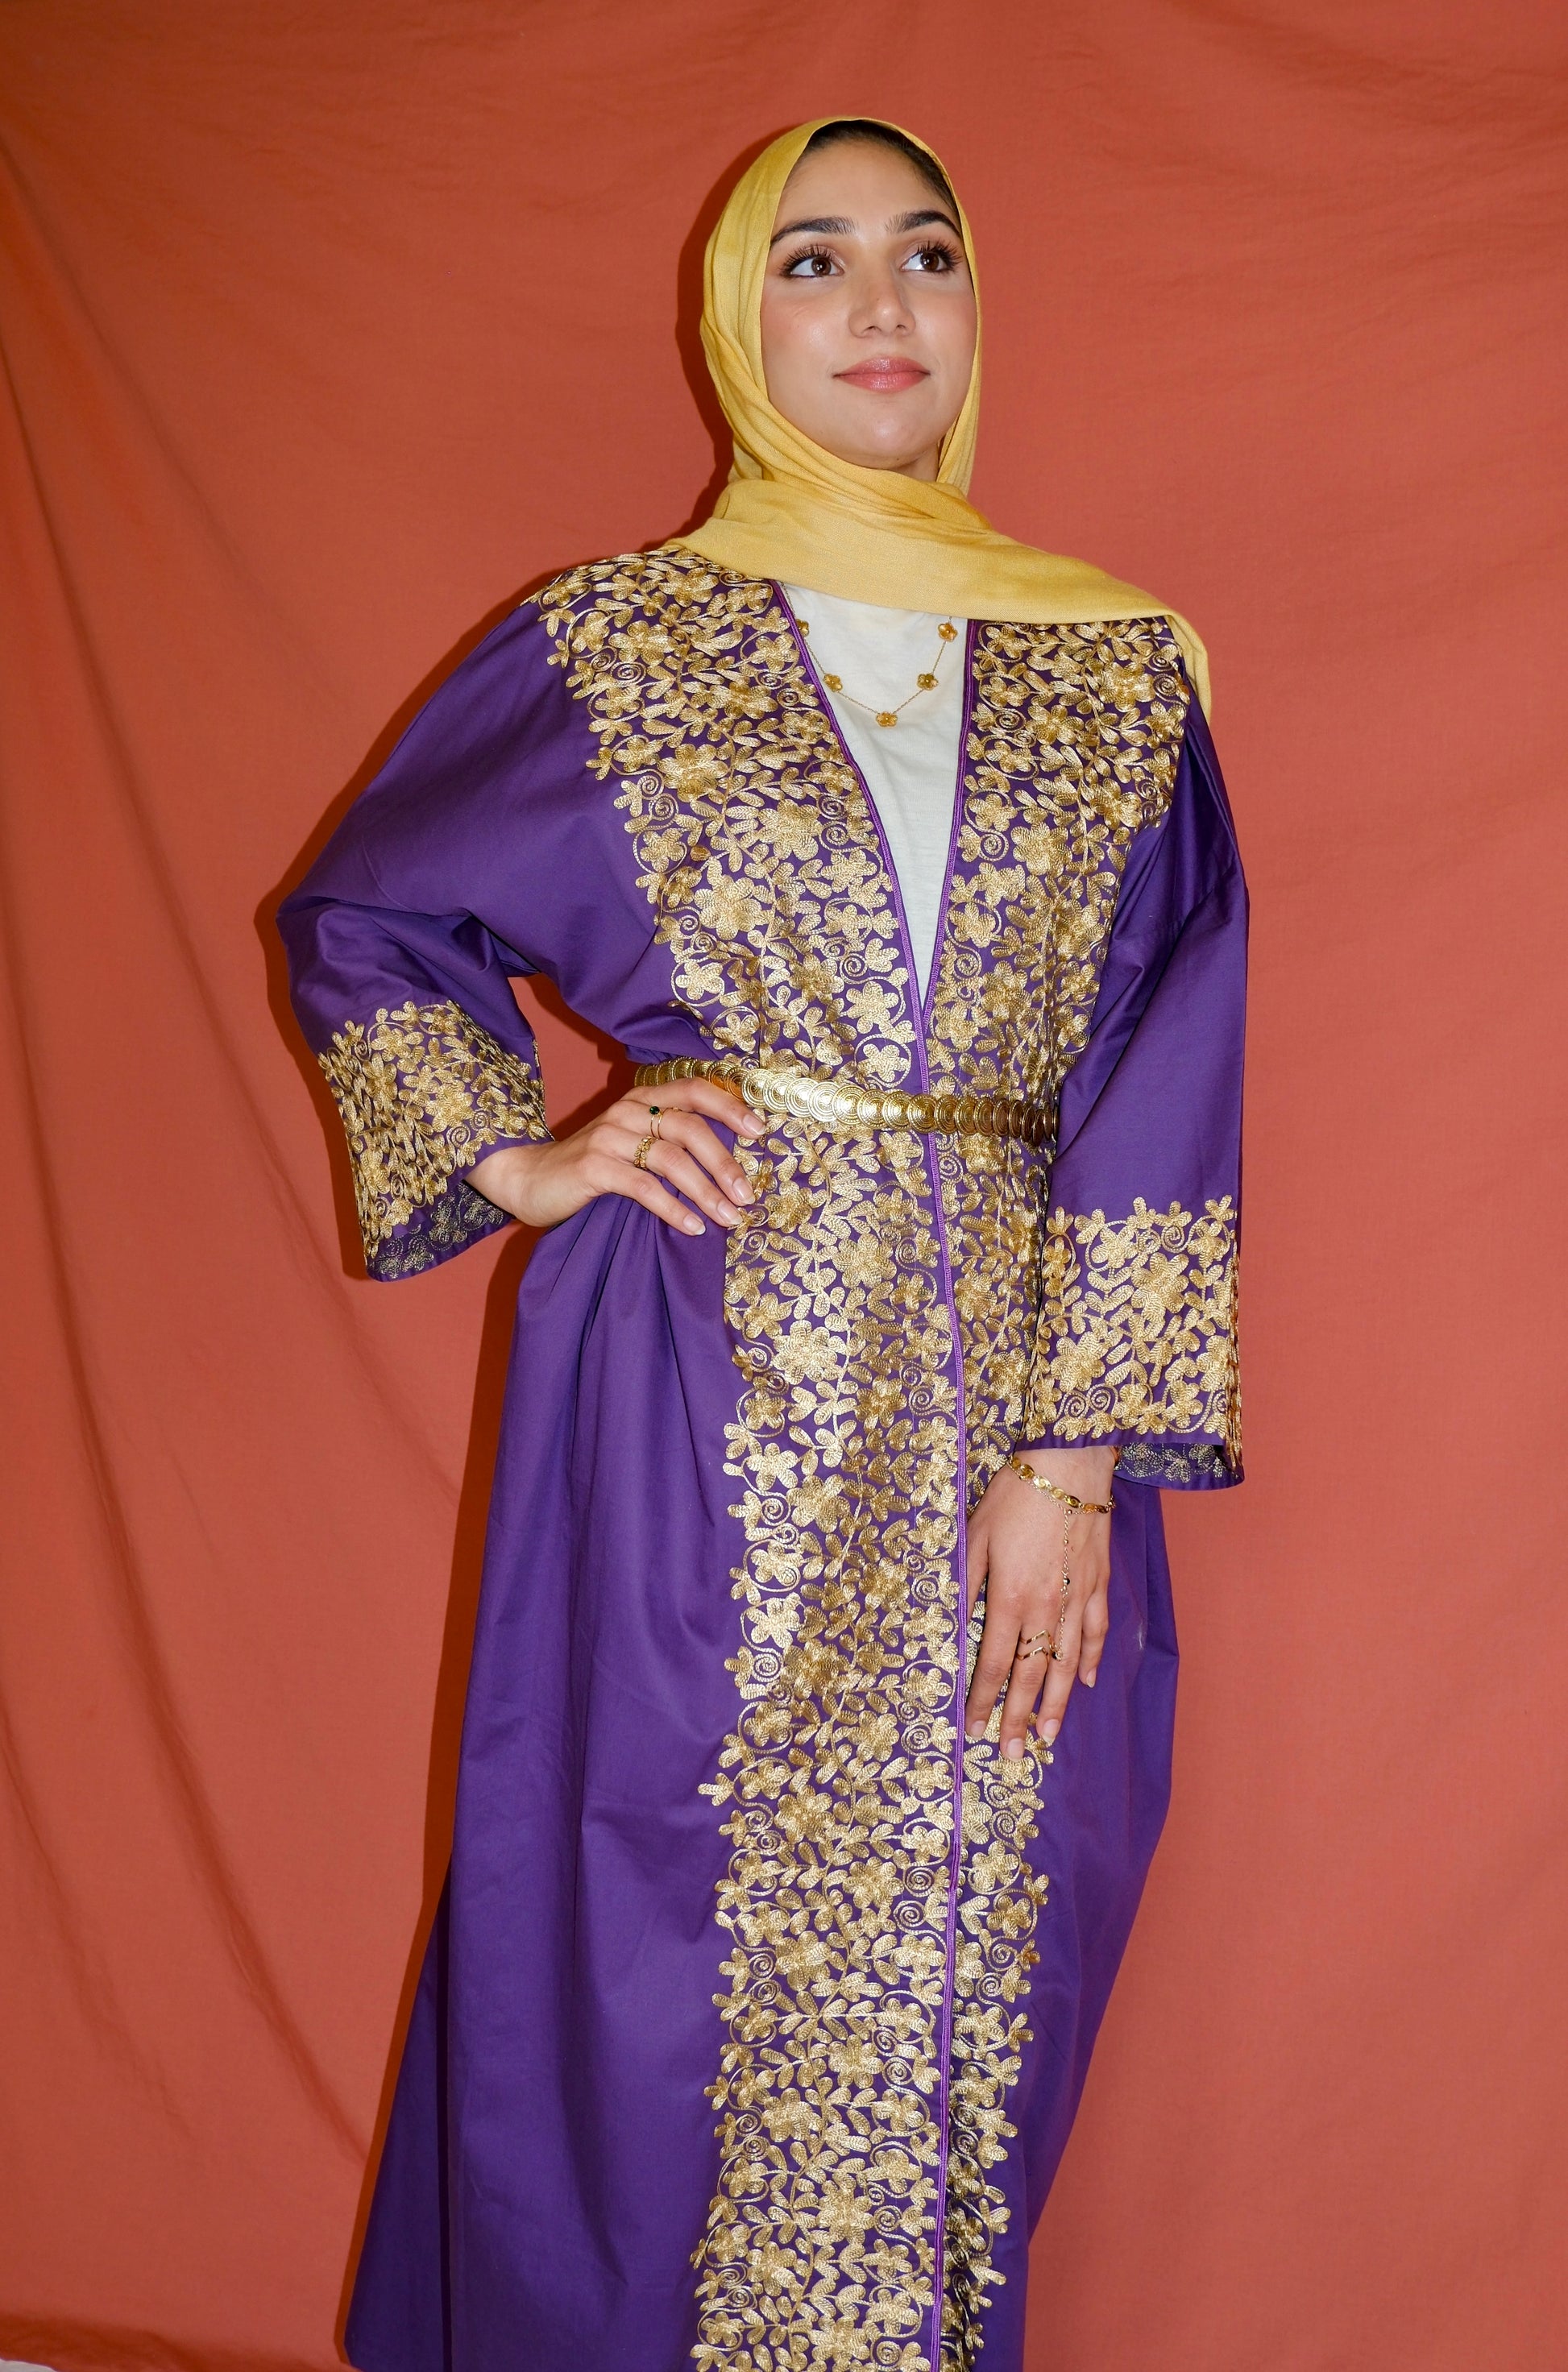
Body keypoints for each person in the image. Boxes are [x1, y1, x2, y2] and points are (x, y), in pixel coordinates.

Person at [280, 114, 1246, 2372]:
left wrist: (1076, 1450)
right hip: (693, 1367)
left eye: (926, 254)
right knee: (640, 1899)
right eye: (815, 260)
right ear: (741, 318)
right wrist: (519, 1157)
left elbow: (1170, 1044)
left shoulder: (1118, 669)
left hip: (1010, 1391)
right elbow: (366, 912)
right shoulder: (616, 642)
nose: (880, 305)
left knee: (982, 1920)